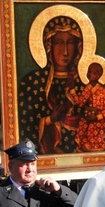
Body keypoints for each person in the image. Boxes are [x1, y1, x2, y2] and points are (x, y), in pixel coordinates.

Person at [18, 15, 86, 154]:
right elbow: (24, 126)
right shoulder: (32, 82)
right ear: (48, 45)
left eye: (71, 43)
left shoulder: (83, 84)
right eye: (58, 43)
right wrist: (49, 120)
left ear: (78, 46)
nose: (65, 51)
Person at [69, 61, 105, 152]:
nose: (88, 74)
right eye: (88, 72)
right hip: (89, 116)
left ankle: (97, 147)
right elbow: (80, 102)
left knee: (93, 127)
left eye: (91, 72)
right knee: (82, 124)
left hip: (101, 118)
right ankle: (84, 146)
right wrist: (72, 90)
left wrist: (96, 117)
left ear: (98, 75)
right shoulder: (88, 88)